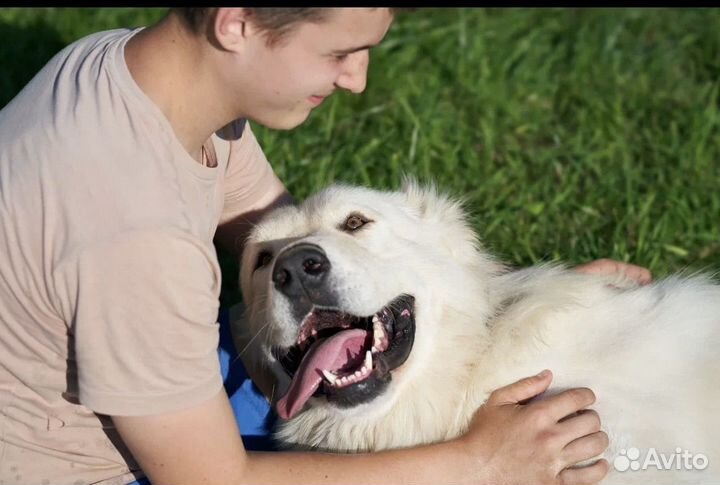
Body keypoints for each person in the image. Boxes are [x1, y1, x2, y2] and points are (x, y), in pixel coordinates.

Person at [0, 7, 652, 485]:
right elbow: (213, 481)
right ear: (236, 23)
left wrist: (509, 289)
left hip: (139, 371)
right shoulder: (134, 236)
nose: (356, 79)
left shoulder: (135, 72)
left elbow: (274, 224)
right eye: (339, 52)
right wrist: (479, 461)